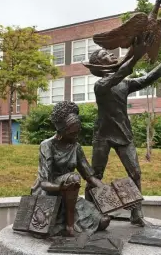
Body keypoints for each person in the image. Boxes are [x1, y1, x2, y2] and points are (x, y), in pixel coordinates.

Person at [84, 36, 161, 226]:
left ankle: (136, 213)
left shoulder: (124, 84)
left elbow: (147, 78)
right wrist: (136, 56)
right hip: (102, 136)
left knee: (135, 173)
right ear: (100, 64)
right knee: (95, 175)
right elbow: (120, 73)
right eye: (105, 54)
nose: (110, 54)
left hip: (123, 135)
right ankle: (87, 211)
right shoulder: (100, 85)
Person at [31, 101, 111, 237]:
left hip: (70, 193)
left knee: (103, 222)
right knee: (73, 177)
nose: (76, 135)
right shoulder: (47, 145)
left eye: (78, 131)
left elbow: (89, 176)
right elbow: (44, 182)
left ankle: (71, 222)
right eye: (73, 133)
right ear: (62, 131)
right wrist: (60, 188)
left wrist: (109, 192)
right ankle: (69, 226)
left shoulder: (76, 146)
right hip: (50, 191)